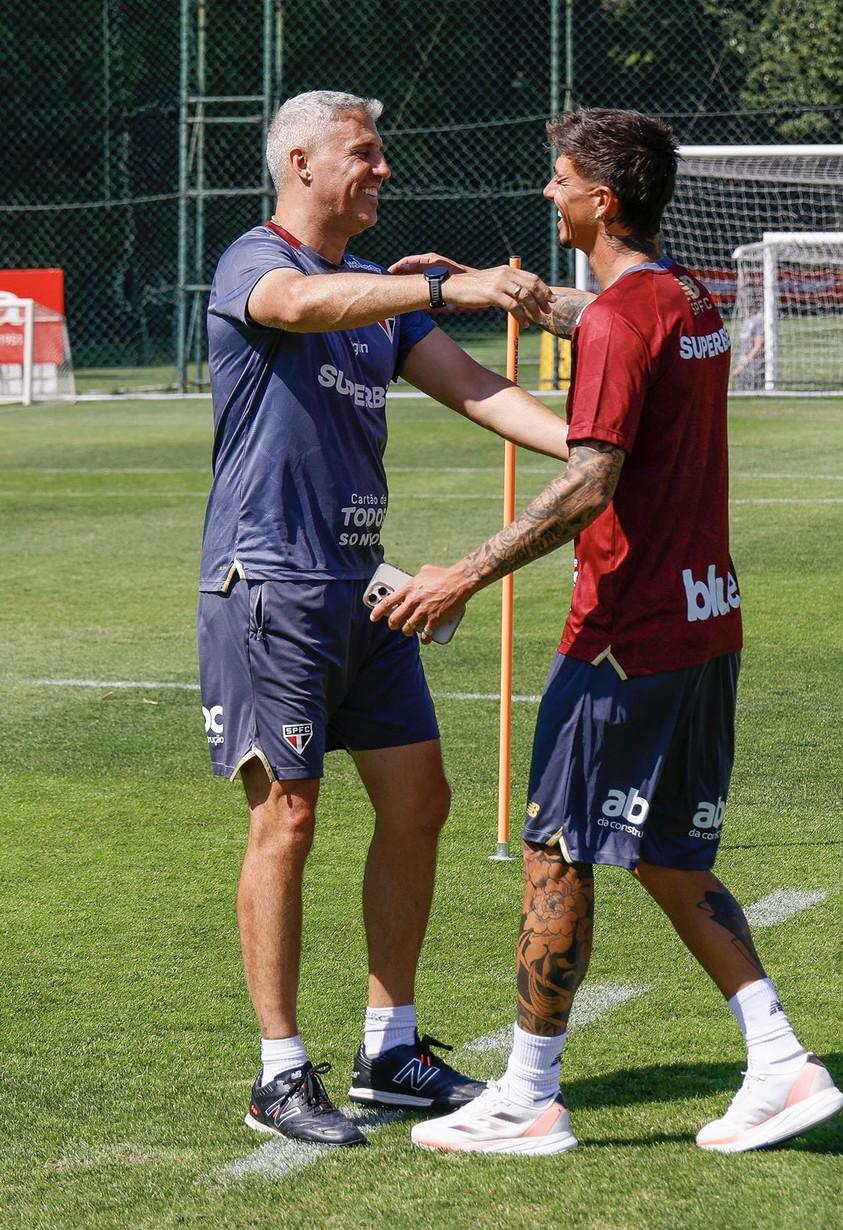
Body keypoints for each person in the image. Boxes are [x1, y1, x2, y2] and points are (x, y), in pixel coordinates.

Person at [374, 107, 843, 1155]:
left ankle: (531, 1094)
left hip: (624, 634)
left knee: (555, 849)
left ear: (603, 198)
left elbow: (588, 484)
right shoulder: (683, 295)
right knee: (672, 854)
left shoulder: (634, 318)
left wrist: (463, 575)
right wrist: (533, 300)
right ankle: (780, 1060)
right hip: (708, 619)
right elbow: (617, 323)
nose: (548, 193)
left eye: (559, 180)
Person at [198, 89, 569, 1148]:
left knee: (420, 802)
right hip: (268, 584)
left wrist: (594, 449)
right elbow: (297, 308)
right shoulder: (254, 260)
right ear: (303, 162)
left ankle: (389, 1051)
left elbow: (477, 389)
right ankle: (277, 1074)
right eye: (365, 153)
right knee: (291, 818)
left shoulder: (383, 296)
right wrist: (446, 285)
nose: (383, 169)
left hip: (365, 589)